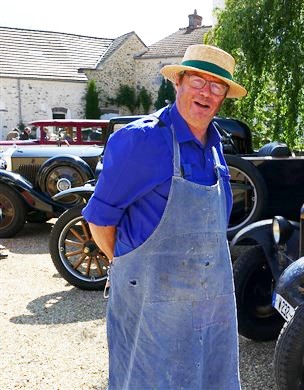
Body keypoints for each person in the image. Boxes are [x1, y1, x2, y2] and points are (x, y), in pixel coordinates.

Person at [82, 44, 247, 389]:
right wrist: (132, 264)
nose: (206, 92)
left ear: (224, 97)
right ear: (179, 82)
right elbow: (99, 220)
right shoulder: (141, 140)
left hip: (209, 303)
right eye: (198, 81)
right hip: (152, 306)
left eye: (216, 86)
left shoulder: (216, 145)